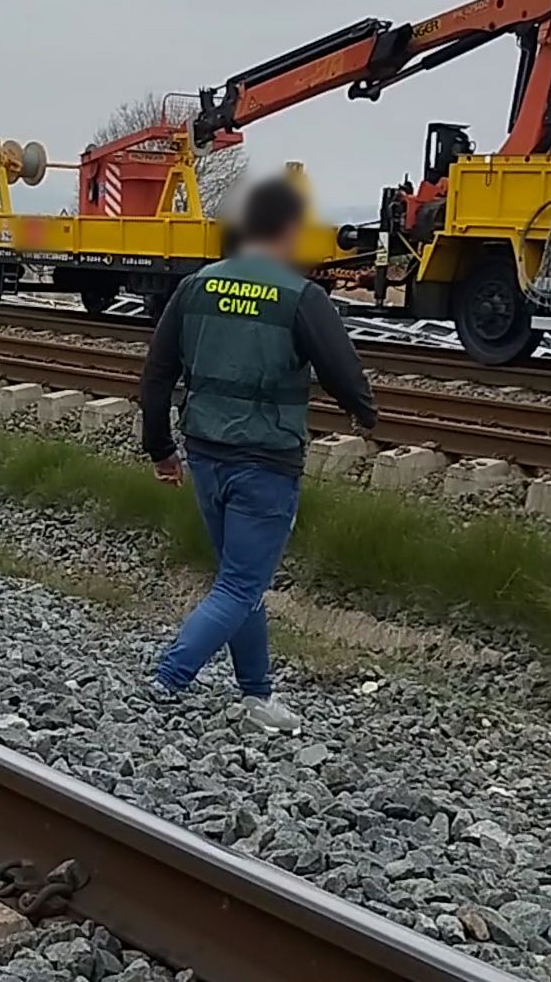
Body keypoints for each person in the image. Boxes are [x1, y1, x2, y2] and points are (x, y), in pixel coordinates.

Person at [139, 176, 377, 731]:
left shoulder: (195, 286)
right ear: (289, 230)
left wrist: (160, 450)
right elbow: (345, 374)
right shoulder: (301, 295)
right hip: (266, 460)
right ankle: (168, 678)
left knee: (236, 578)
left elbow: (156, 374)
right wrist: (365, 414)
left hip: (205, 454)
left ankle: (257, 696)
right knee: (241, 584)